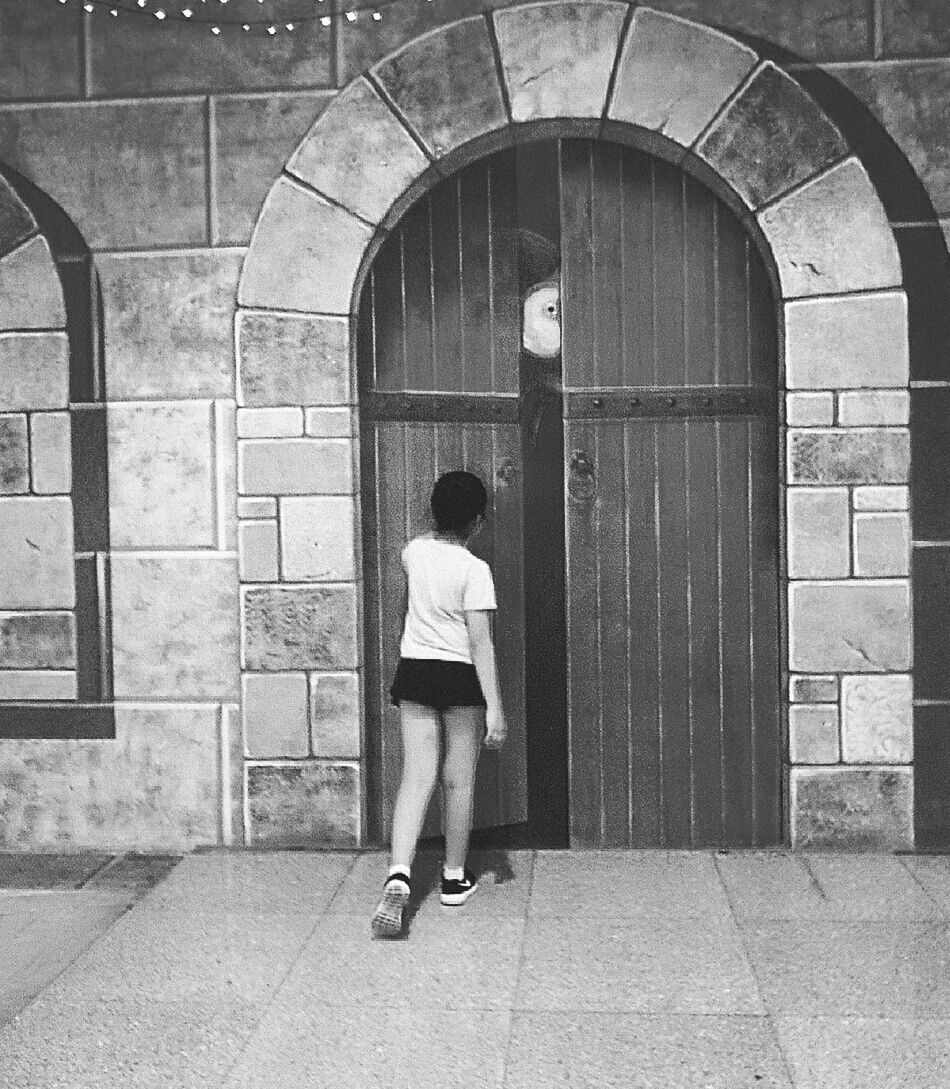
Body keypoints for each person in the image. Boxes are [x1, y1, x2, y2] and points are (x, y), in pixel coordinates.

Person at [371, 470, 507, 939]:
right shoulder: (475, 571)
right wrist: (496, 708)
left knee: (416, 777)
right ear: (478, 520)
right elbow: (481, 642)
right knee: (458, 780)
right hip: (458, 676)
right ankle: (452, 878)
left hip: (415, 669)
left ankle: (399, 874)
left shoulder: (413, 552)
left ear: (432, 512)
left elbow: (426, 541)